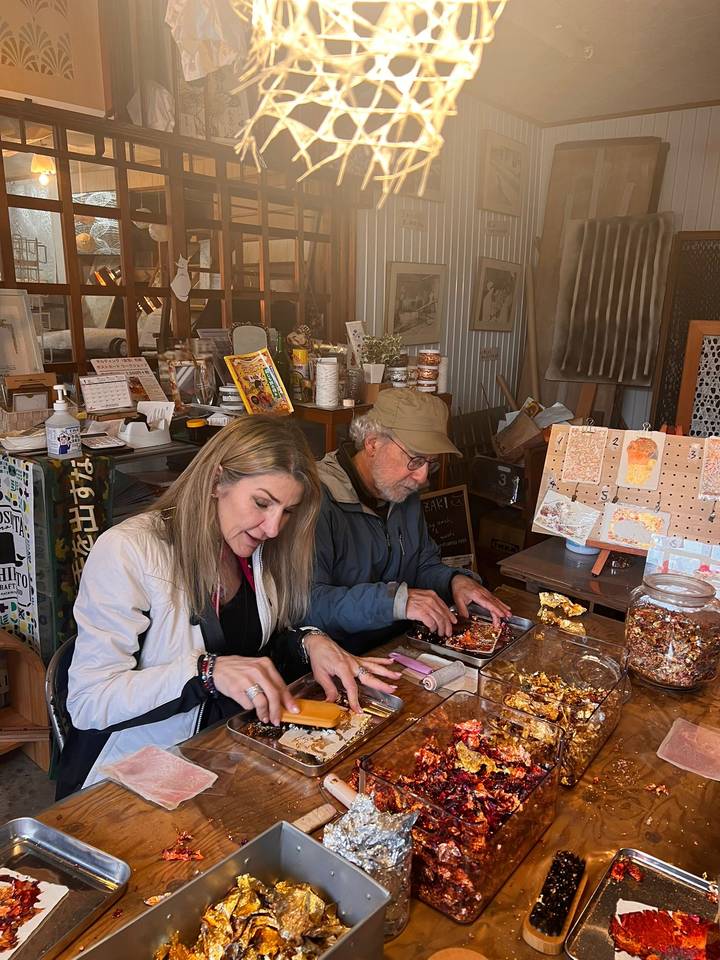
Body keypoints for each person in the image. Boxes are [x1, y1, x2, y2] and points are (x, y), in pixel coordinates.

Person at [57, 416, 397, 798]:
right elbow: (89, 701)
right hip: (130, 774)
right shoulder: (128, 551)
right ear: (217, 481)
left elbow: (256, 644)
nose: (273, 528)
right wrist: (206, 673)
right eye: (262, 503)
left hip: (221, 752)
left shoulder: (257, 551)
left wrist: (308, 642)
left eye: (287, 511)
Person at [308, 388, 512, 653]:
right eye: (415, 460)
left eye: (431, 463)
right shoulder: (317, 499)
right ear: (372, 443)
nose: (423, 477)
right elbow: (308, 604)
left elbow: (422, 564)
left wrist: (454, 581)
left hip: (398, 644)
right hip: (339, 655)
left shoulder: (402, 490)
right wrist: (395, 602)